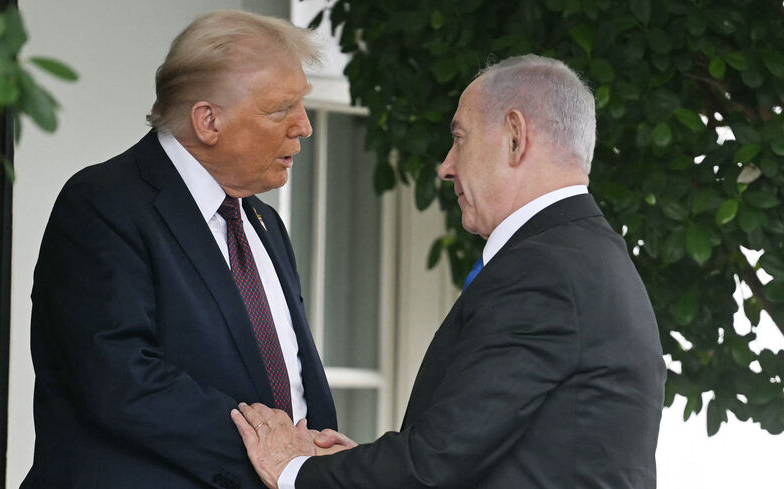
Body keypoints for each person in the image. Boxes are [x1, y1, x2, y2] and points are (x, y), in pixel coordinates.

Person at [231, 54, 667, 489]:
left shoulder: (545, 270)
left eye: (460, 138)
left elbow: (435, 463)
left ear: (515, 137)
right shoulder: (584, 254)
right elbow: (485, 447)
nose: (446, 166)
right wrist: (351, 467)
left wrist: (293, 469)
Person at [21, 10, 337, 489]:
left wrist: (311, 460)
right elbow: (121, 383)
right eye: (281, 109)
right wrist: (278, 453)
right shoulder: (103, 204)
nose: (304, 127)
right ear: (208, 121)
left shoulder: (263, 221)